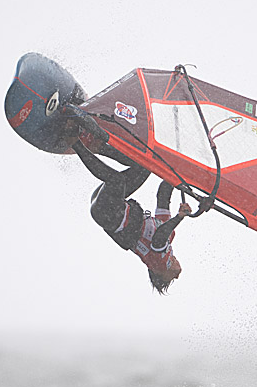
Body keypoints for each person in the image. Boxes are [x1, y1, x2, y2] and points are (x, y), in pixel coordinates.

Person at [70, 113, 190, 294]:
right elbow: (163, 195)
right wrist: (180, 176)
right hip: (113, 203)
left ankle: (73, 140)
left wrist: (179, 217)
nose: (177, 275)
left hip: (107, 214)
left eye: (171, 279)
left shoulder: (157, 262)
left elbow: (158, 238)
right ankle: (96, 144)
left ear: (158, 273)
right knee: (146, 164)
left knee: (117, 181)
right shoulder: (169, 234)